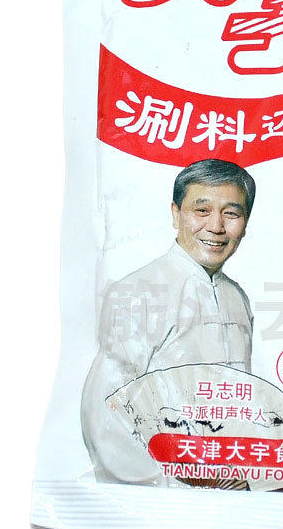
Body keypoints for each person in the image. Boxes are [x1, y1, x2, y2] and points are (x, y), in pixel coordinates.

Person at [81, 159, 256, 484]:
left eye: (231, 213)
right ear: (176, 214)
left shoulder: (238, 299)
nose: (216, 226)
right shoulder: (139, 291)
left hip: (231, 488)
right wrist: (168, 482)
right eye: (201, 210)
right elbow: (105, 413)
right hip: (161, 494)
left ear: (246, 222)